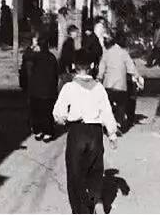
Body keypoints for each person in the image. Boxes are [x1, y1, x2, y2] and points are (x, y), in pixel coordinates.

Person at [53, 49, 118, 214]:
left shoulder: (69, 87)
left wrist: (62, 119)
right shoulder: (99, 88)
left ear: (73, 65)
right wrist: (112, 133)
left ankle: (81, 210)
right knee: (95, 169)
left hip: (77, 132)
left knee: (75, 173)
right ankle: (97, 201)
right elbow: (107, 112)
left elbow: (58, 113)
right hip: (95, 133)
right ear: (93, 65)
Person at [98, 31, 141, 133]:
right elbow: (131, 68)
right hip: (120, 85)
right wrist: (137, 77)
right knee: (121, 105)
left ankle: (107, 124)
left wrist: (99, 77)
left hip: (108, 84)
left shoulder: (106, 53)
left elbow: (102, 67)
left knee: (107, 105)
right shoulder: (124, 53)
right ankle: (118, 123)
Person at [29, 37, 59, 142]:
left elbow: (30, 71)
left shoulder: (35, 58)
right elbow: (55, 74)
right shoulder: (52, 58)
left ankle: (38, 131)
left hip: (36, 90)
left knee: (37, 112)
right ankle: (48, 132)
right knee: (47, 112)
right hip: (48, 91)